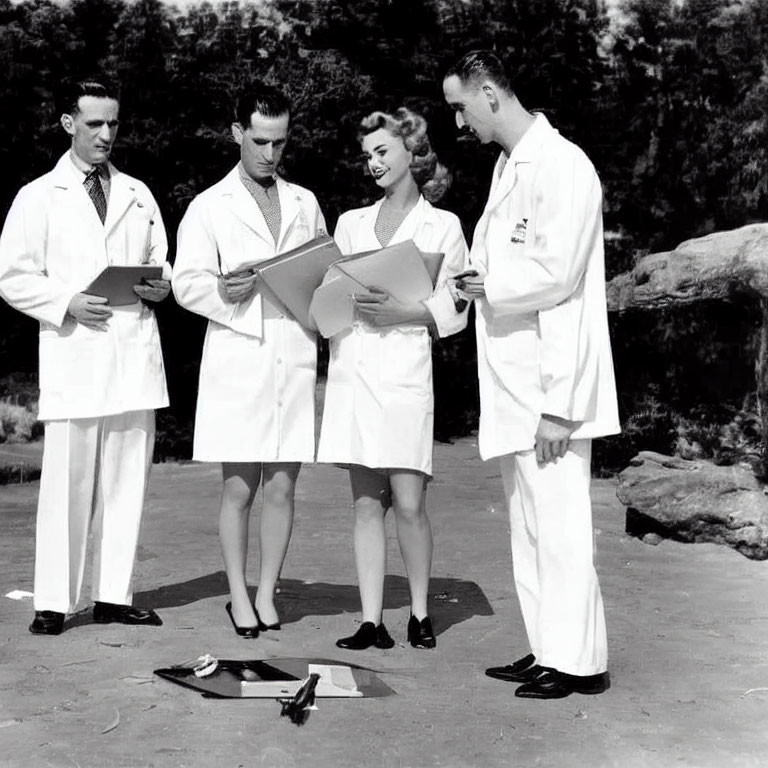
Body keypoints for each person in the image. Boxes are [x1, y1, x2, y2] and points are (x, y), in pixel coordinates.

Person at [441, 51, 621, 698]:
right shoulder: (509, 165)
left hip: (553, 386)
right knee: (530, 524)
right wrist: (475, 280)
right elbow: (511, 265)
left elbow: (562, 282)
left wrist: (561, 405)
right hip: (515, 383)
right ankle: (548, 647)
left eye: (461, 106)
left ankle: (579, 664)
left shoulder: (563, 166)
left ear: (490, 93)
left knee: (563, 527)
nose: (458, 121)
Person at [0, 78, 171, 635]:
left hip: (132, 352)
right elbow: (13, 277)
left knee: (128, 482)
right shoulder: (36, 196)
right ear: (69, 123)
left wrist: (159, 286)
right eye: (94, 123)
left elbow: (160, 263)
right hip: (75, 351)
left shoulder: (138, 193)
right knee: (67, 484)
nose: (106, 134)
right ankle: (53, 601)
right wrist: (65, 301)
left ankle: (114, 595)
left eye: (113, 123)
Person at [172, 84, 327, 638]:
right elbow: (186, 282)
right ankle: (237, 594)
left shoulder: (306, 202)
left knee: (283, 486)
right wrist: (224, 290)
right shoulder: (208, 206)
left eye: (280, 143)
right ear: (237, 133)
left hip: (292, 351)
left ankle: (266, 592)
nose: (270, 153)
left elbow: (323, 271)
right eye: (260, 140)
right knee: (239, 488)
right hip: (239, 357)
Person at [316, 107, 468, 650]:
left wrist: (405, 313)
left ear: (411, 151)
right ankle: (369, 619)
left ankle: (421, 613)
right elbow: (327, 298)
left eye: (382, 152)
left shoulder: (443, 226)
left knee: (408, 502)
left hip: (405, 370)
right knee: (363, 504)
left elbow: (456, 304)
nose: (373, 163)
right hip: (355, 370)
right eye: (367, 156)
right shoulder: (351, 223)